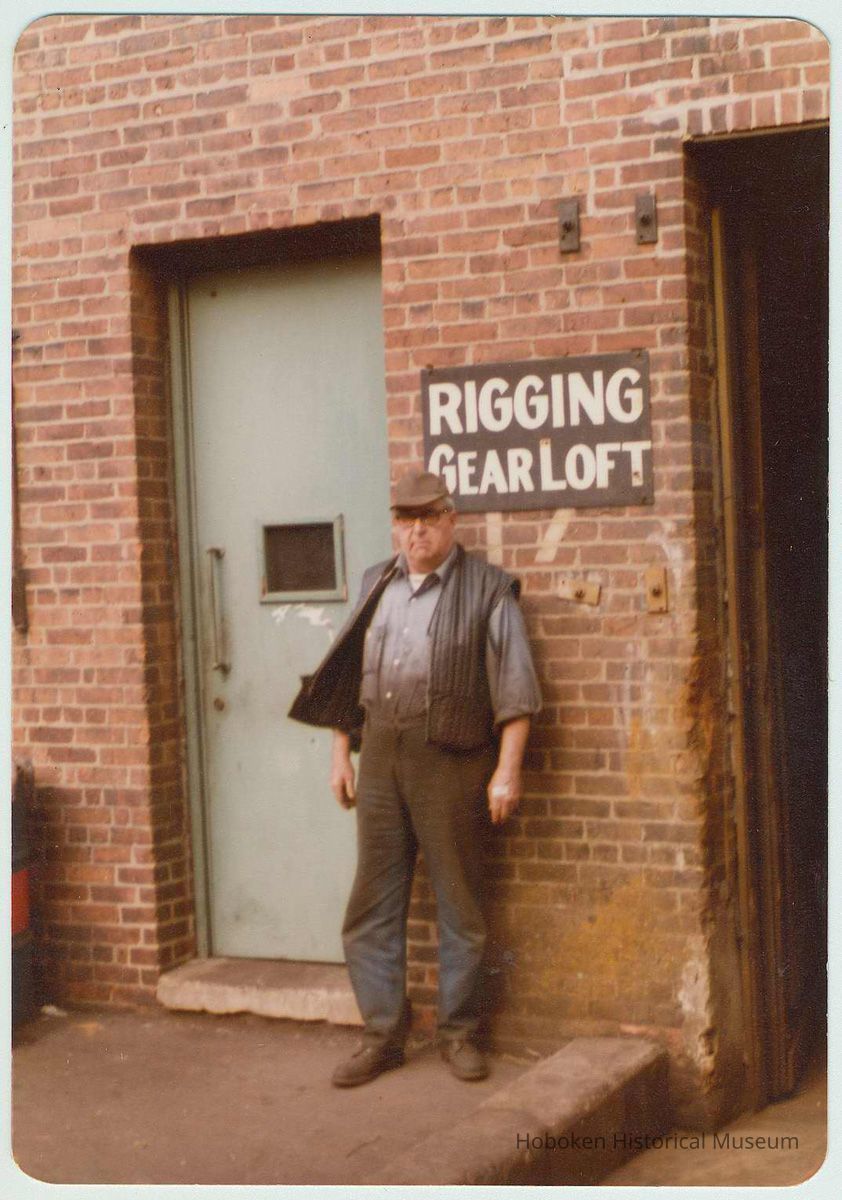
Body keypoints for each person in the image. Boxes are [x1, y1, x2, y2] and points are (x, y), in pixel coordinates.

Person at [289, 469, 541, 1086]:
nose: (416, 531)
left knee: (461, 904)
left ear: (451, 520)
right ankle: (382, 1035)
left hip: (453, 759)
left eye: (428, 518)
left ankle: (459, 1035)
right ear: (395, 525)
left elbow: (517, 692)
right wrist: (339, 755)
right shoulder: (376, 583)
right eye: (405, 519)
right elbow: (345, 681)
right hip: (381, 756)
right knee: (372, 904)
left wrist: (506, 773)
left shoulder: (488, 589)